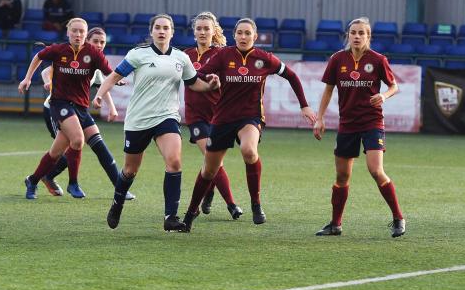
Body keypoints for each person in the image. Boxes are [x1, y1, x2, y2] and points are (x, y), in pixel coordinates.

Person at [181, 17, 317, 230]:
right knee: (209, 170)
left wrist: (304, 105)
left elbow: (291, 76)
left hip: (250, 118)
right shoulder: (223, 56)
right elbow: (199, 75)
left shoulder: (265, 58)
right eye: (240, 33)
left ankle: (256, 204)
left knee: (249, 150)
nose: (243, 37)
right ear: (234, 35)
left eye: (248, 33)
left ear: (255, 36)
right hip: (223, 118)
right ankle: (189, 214)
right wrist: (211, 81)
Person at [94, 14, 220, 232]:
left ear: (172, 32)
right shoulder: (138, 54)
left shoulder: (181, 58)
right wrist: (100, 94)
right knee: (130, 170)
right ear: (151, 32)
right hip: (139, 119)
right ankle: (117, 203)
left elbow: (193, 83)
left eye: (166, 28)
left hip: (167, 117)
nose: (162, 31)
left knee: (174, 162)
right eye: (158, 28)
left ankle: (170, 217)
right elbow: (114, 76)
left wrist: (210, 86)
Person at [312, 18, 405, 237]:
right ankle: (335, 224)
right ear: (348, 35)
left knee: (376, 170)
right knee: (342, 176)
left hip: (372, 122)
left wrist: (383, 95)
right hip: (347, 124)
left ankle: (398, 218)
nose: (357, 36)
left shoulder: (378, 60)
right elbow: (328, 90)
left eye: (361, 33)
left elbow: (394, 86)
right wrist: (320, 118)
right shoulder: (337, 59)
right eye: (353, 32)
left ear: (368, 36)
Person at [18, 18, 125, 204]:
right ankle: (73, 183)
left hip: (81, 108)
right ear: (68, 32)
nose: (78, 34)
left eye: (81, 32)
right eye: (74, 31)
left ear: (85, 34)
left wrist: (118, 79)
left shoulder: (93, 53)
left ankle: (33, 180)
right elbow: (38, 58)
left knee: (56, 152)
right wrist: (27, 78)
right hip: (60, 104)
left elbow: (108, 72)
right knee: (78, 140)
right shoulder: (59, 50)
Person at [182, 12, 243, 220]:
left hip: (219, 116)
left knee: (211, 164)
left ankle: (208, 191)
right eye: (198, 28)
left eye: (206, 28)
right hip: (195, 115)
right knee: (212, 159)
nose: (202, 32)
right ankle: (232, 204)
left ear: (214, 31)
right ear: (194, 31)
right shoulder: (185, 55)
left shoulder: (222, 54)